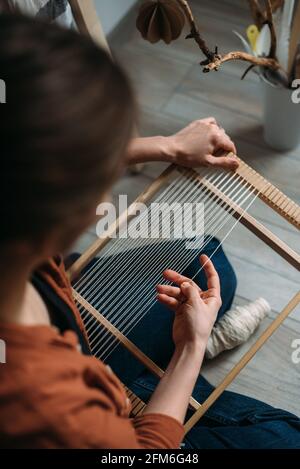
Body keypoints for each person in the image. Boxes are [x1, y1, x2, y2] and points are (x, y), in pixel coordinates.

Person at [0, 13, 299, 450]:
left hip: (71, 349)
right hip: (98, 424)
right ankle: (148, 383)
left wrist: (168, 146)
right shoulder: (44, 409)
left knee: (209, 260)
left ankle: (140, 380)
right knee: (287, 437)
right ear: (76, 215)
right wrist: (190, 348)